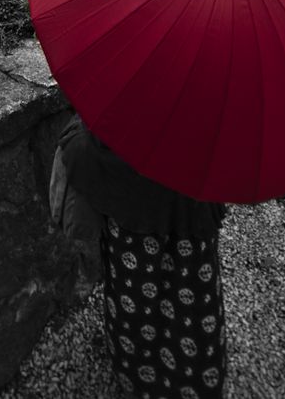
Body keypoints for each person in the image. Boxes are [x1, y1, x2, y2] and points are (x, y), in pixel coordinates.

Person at [57, 113, 227, 399]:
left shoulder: (126, 99)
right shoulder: (213, 106)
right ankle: (197, 379)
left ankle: (138, 375)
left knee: (134, 301)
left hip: (133, 227)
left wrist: (73, 134)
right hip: (190, 218)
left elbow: (86, 151)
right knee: (192, 303)